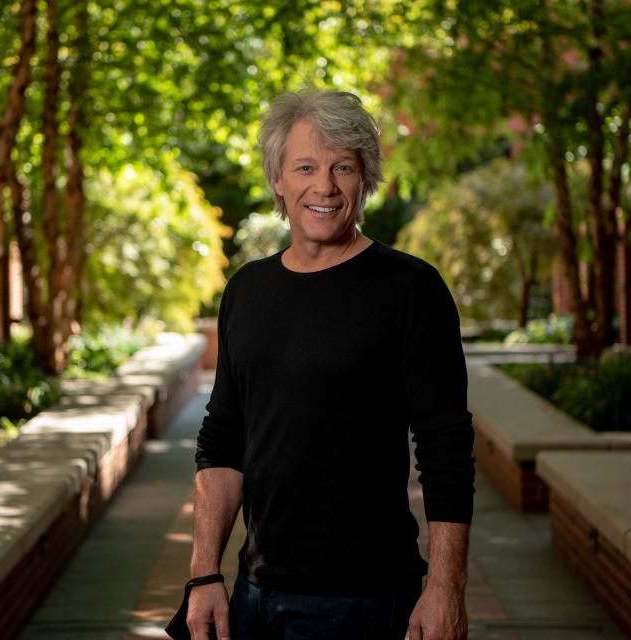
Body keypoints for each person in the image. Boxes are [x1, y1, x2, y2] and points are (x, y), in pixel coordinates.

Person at [185, 90, 475, 640]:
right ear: (278, 179)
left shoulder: (410, 289)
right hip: (253, 596)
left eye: (343, 167)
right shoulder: (246, 291)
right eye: (305, 167)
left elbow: (446, 449)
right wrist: (203, 574)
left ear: (365, 179)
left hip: (367, 601)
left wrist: (445, 588)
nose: (324, 186)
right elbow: (223, 438)